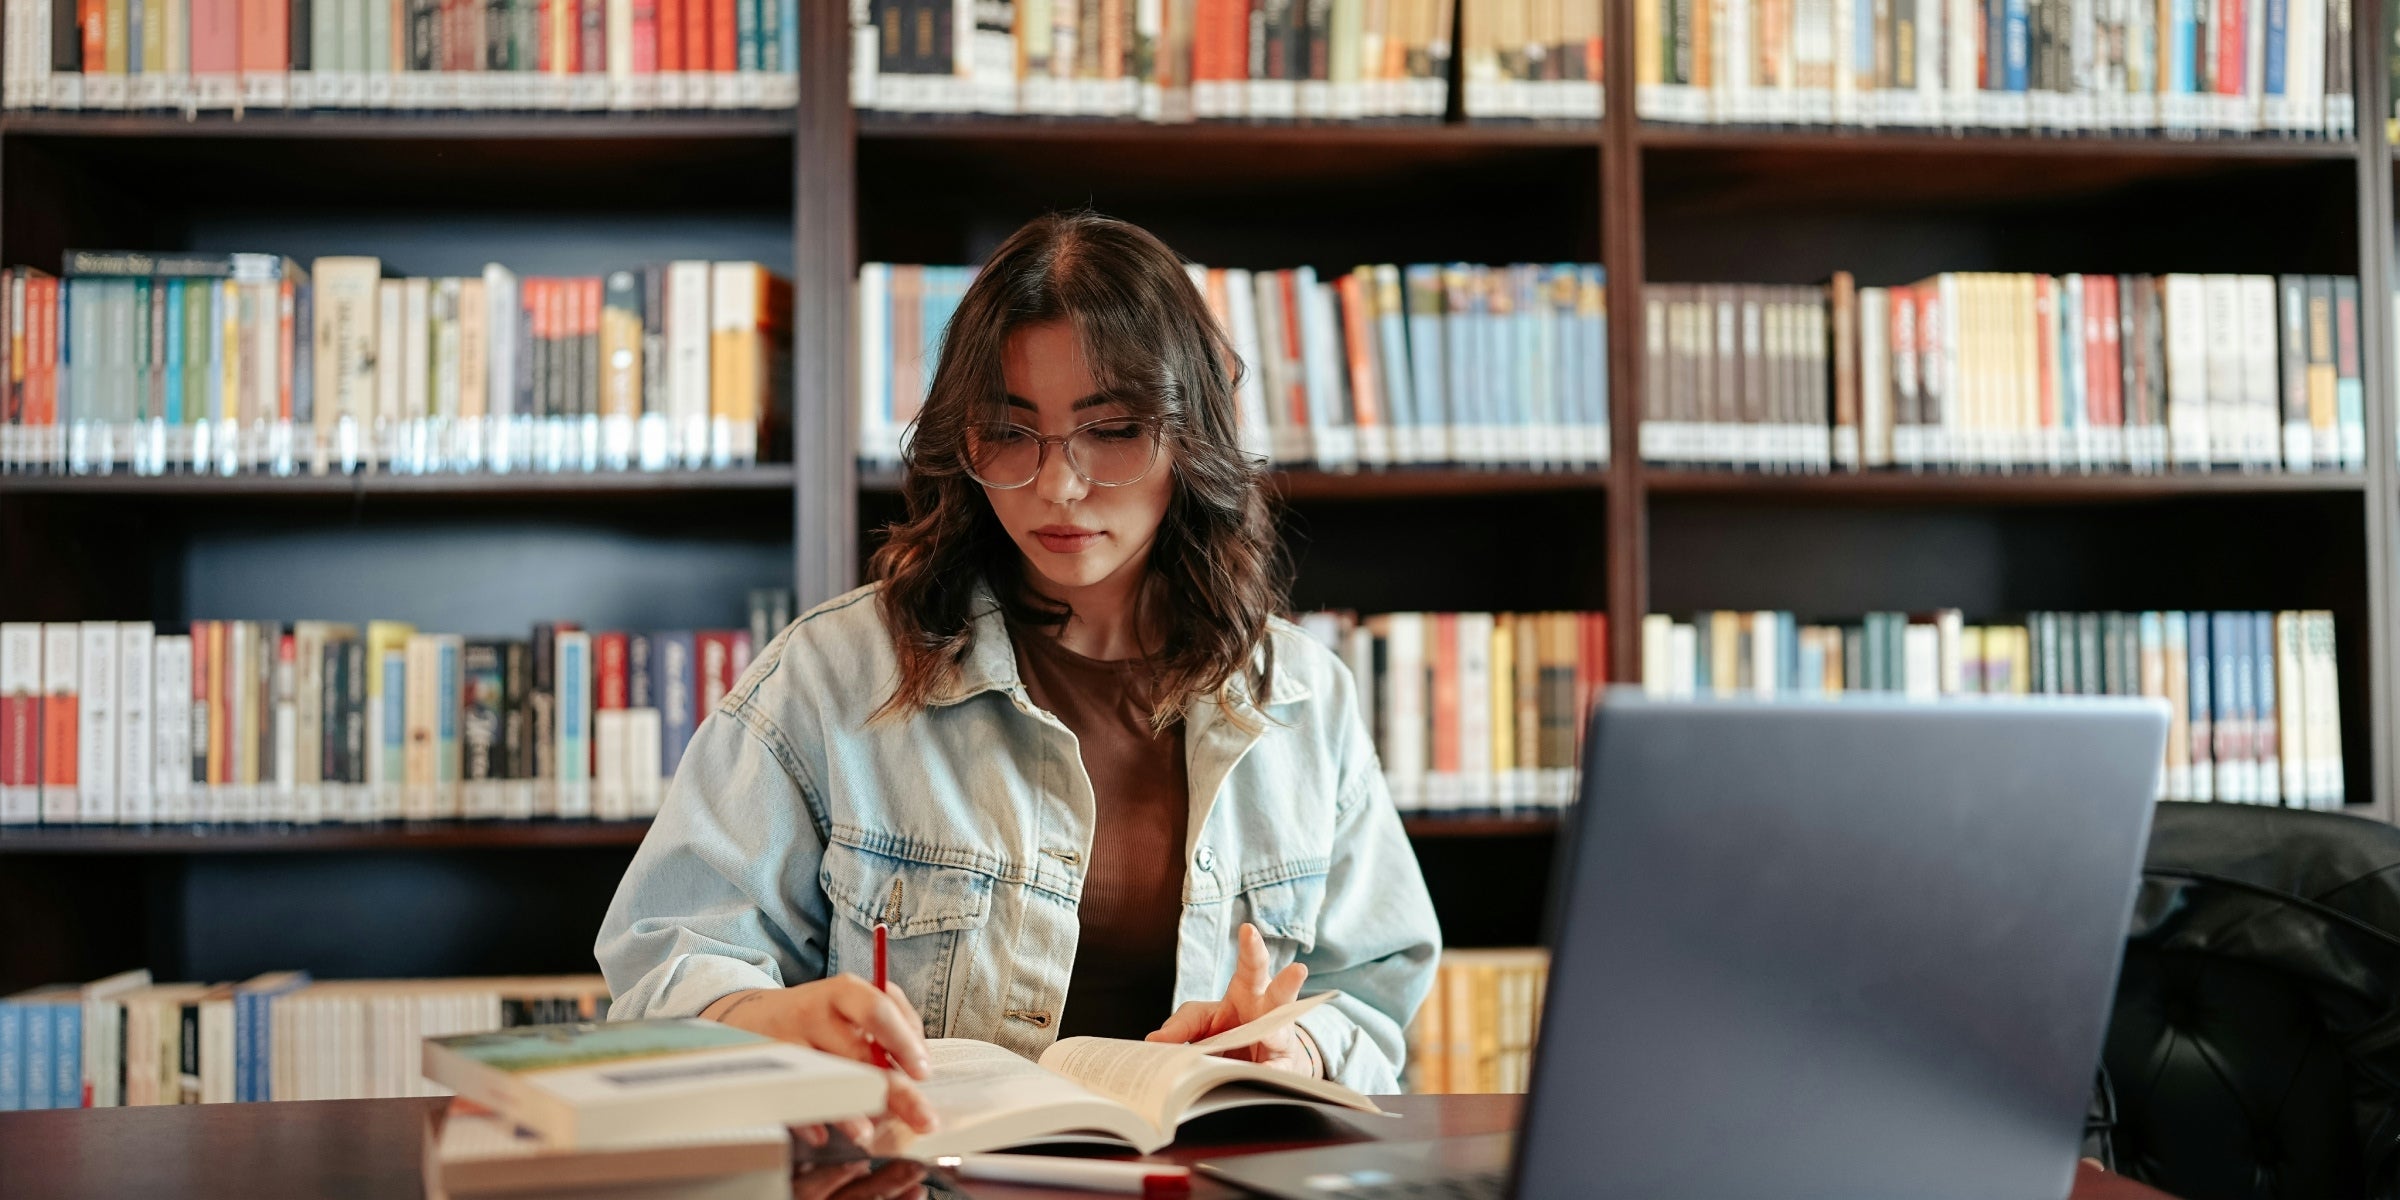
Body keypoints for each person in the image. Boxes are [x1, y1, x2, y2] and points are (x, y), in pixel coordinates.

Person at [594, 211, 1441, 1135]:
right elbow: (665, 963)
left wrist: (1290, 1049)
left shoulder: (1306, 697)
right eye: (1009, 431)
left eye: (1111, 430)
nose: (1057, 486)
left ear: (1192, 436)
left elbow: (1373, 992)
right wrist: (766, 1020)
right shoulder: (831, 675)